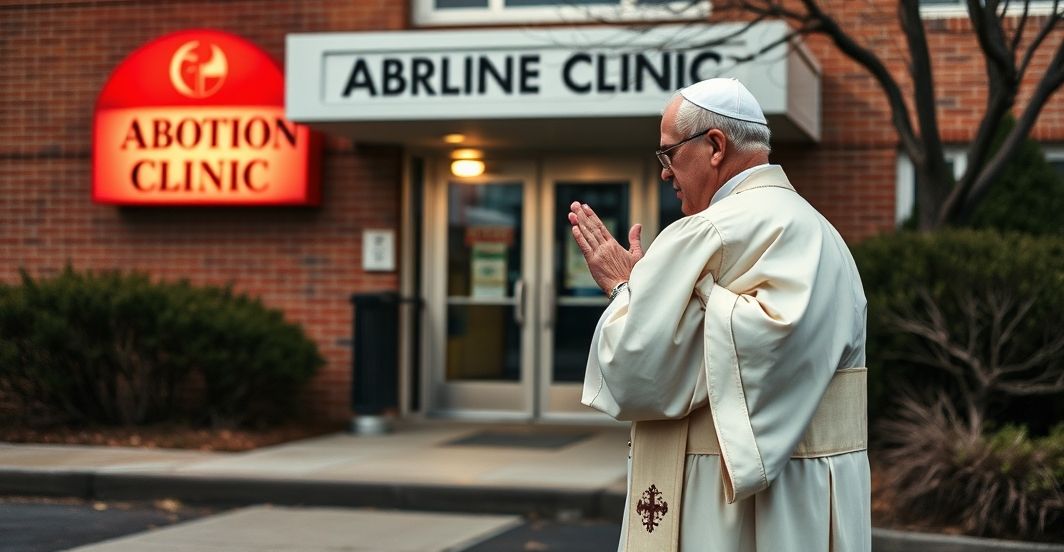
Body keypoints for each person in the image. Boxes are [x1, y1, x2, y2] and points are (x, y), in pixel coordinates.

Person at [568, 78, 870, 552]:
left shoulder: (706, 233)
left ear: (714, 146)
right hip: (818, 494)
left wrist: (625, 288)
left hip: (724, 509)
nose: (665, 172)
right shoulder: (826, 234)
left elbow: (633, 371)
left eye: (669, 154)